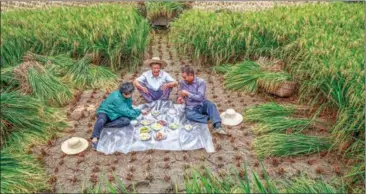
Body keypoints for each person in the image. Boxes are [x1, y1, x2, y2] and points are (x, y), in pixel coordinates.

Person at [177, 65, 227, 135]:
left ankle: (218, 126)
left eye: (185, 77)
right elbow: (182, 94)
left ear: (191, 75)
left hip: (202, 104)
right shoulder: (183, 83)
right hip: (191, 107)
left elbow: (200, 98)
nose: (183, 79)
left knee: (211, 105)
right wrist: (181, 98)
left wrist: (188, 94)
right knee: (189, 115)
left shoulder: (201, 82)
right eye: (183, 77)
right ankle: (208, 118)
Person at [91, 82, 141, 150]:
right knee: (101, 120)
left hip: (116, 113)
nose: (128, 95)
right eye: (126, 94)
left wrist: (133, 113)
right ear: (122, 92)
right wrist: (139, 111)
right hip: (105, 111)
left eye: (129, 94)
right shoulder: (117, 98)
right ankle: (95, 138)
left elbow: (128, 107)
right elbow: (127, 111)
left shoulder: (128, 94)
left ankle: (105, 125)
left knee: (126, 121)